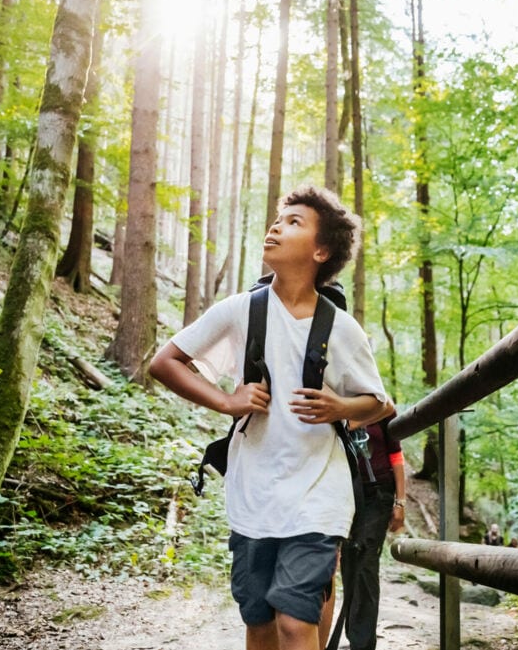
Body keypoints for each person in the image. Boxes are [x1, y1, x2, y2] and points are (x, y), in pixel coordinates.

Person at [149, 185, 390, 650]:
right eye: (279, 219)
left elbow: (378, 403)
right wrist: (226, 400)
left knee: (296, 623)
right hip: (252, 492)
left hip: (319, 494)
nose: (276, 226)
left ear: (321, 251)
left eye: (294, 222)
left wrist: (341, 407)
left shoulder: (341, 328)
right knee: (258, 622)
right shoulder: (241, 311)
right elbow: (165, 362)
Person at [336, 407, 406, 650]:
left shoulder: (381, 404)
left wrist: (401, 500)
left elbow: (396, 455)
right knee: (349, 561)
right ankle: (355, 635)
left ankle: (362, 643)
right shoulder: (338, 402)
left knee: (365, 559)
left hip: (379, 492)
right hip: (347, 492)